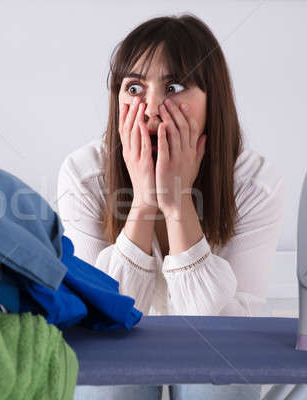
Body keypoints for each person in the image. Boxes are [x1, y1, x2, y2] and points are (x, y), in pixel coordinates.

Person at [57, 13, 287, 400]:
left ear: (213, 99)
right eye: (133, 88)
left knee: (216, 386)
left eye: (174, 86)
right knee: (108, 385)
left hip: (217, 360)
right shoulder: (85, 175)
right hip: (120, 357)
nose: (150, 109)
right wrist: (144, 204)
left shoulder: (255, 183)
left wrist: (179, 203)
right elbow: (98, 320)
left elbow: (227, 338)